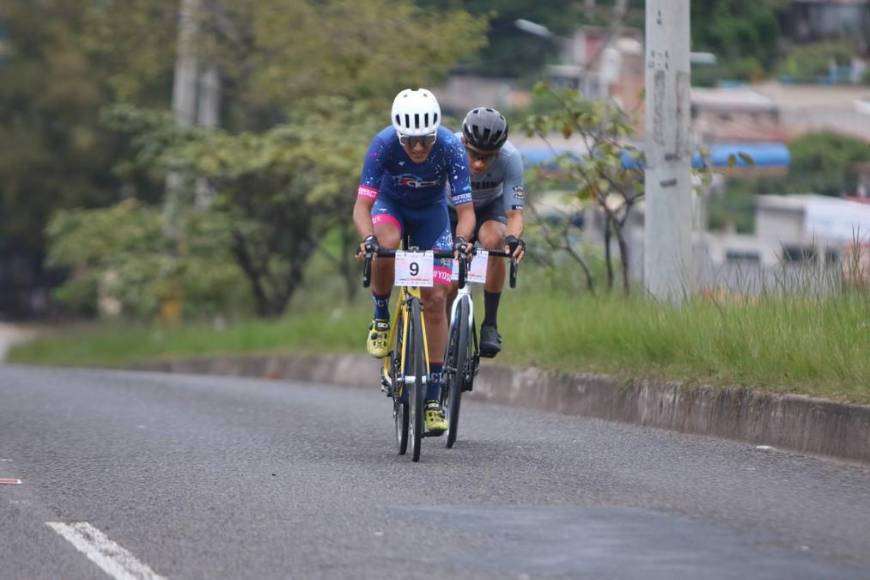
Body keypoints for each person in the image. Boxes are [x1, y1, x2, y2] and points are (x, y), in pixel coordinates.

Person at [352, 88, 475, 435]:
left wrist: (462, 242)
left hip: (432, 215)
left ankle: (433, 399)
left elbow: (466, 212)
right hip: (391, 207)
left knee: (436, 297)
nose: (418, 148)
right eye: (410, 141)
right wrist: (368, 239)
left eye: (425, 140)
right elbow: (362, 206)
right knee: (385, 244)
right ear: (398, 134)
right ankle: (380, 316)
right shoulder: (383, 144)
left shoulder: (450, 147)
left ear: (435, 133)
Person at [447, 107, 526, 357]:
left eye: (487, 157)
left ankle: (490, 323)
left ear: (498, 152)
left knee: (494, 240)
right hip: (451, 209)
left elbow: (515, 215)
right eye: (473, 154)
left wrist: (513, 239)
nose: (479, 163)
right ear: (463, 142)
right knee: (449, 279)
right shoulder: (448, 149)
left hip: (489, 208)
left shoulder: (511, 158)